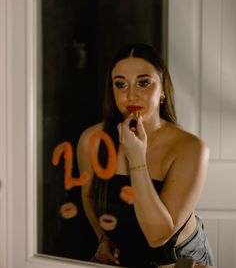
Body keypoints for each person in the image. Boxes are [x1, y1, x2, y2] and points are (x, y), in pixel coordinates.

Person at [77, 43, 214, 268]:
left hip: (179, 258)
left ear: (163, 91)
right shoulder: (91, 140)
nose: (131, 94)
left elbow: (158, 237)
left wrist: (136, 159)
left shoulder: (191, 148)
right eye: (120, 84)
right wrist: (103, 237)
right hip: (126, 256)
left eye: (144, 83)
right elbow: (89, 196)